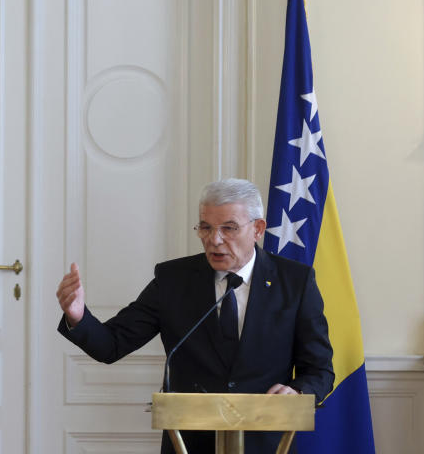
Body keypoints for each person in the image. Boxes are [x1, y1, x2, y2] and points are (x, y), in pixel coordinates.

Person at [56, 178, 334, 454]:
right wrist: (78, 316)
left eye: (229, 228)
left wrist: (297, 392)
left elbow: (319, 369)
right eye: (205, 227)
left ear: (258, 229)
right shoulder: (173, 280)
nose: (214, 240)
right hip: (189, 443)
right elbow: (112, 344)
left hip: (266, 443)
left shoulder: (295, 282)